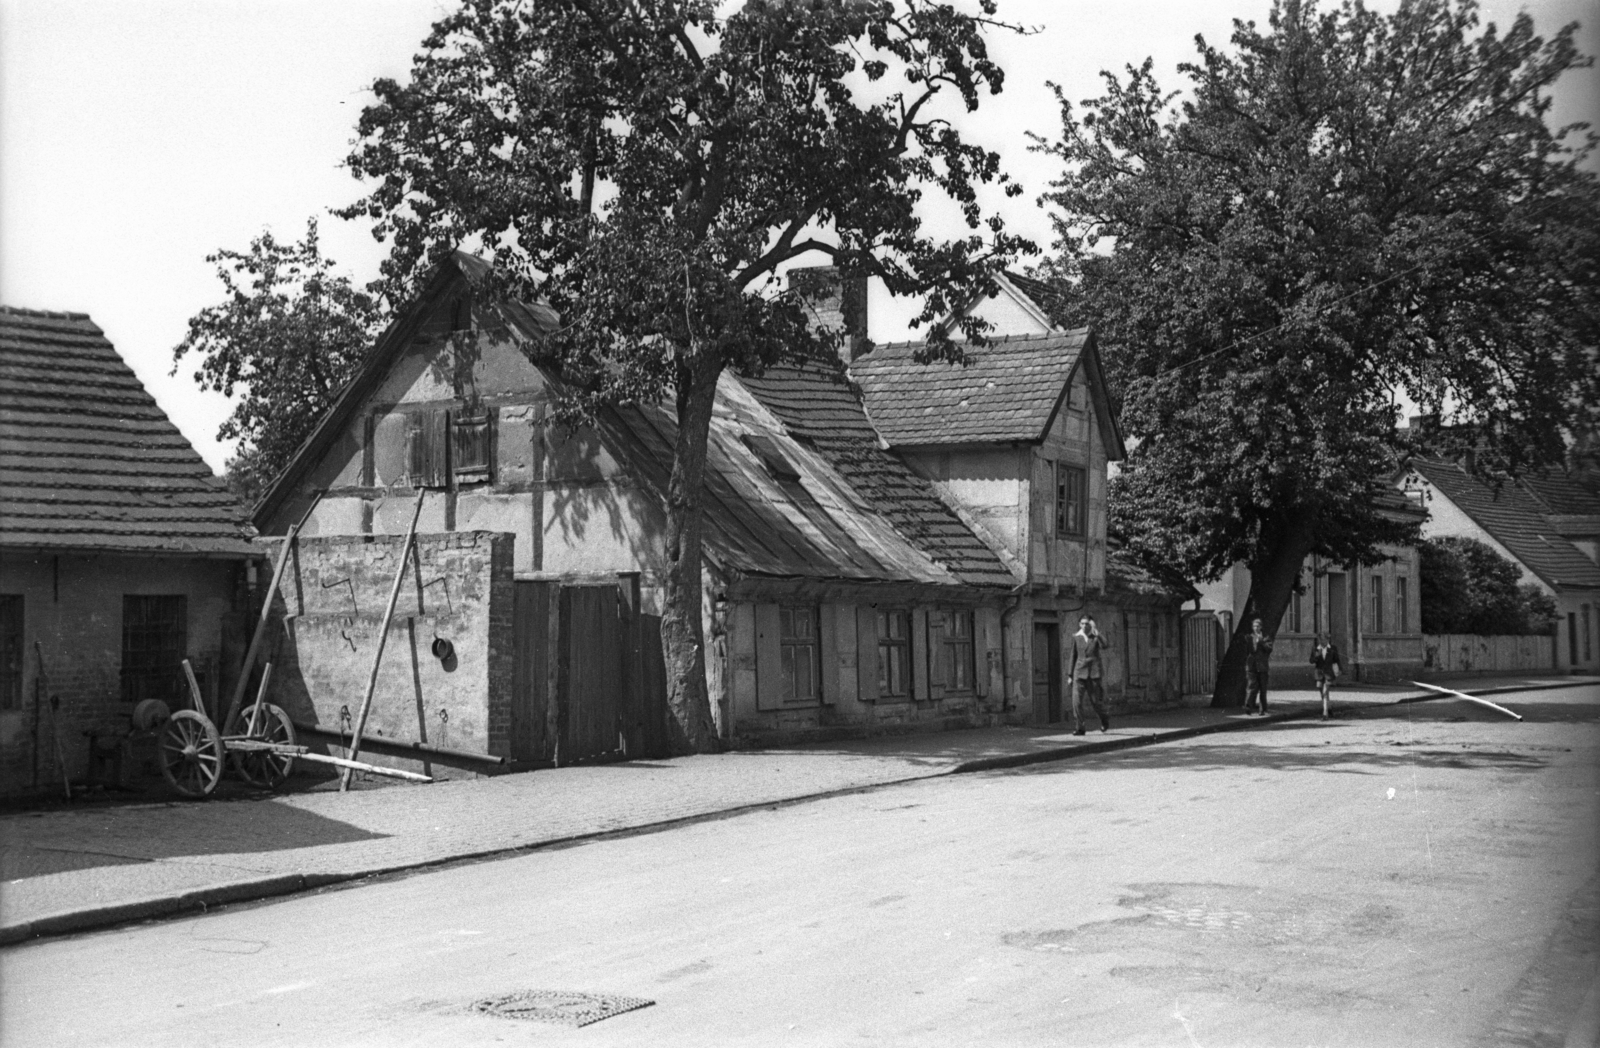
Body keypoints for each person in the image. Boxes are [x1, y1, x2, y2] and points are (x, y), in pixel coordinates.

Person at [1067, 613, 1111, 735]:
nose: (1084, 626)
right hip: (1079, 673)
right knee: (1076, 702)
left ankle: (1104, 718)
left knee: (1096, 702)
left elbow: (1105, 645)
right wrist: (1070, 675)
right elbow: (1073, 656)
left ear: (1090, 624)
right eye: (1082, 623)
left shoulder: (1095, 636)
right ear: (1079, 624)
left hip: (1093, 674)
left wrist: (1098, 634)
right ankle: (1080, 728)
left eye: (1087, 623)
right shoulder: (1076, 637)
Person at [1244, 617, 1273, 714]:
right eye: (1254, 626)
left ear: (1261, 627)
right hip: (1252, 666)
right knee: (1251, 687)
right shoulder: (1249, 637)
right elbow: (1247, 651)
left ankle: (1262, 709)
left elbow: (1269, 649)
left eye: (1258, 626)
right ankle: (1248, 707)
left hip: (1262, 667)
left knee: (1263, 689)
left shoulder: (1266, 638)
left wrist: (1262, 642)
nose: (1256, 628)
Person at [1310, 634, 1342, 720]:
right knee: (1322, 691)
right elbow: (1311, 661)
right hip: (1319, 673)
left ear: (1327, 640)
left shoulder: (1332, 648)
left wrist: (1339, 670)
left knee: (1324, 692)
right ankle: (1330, 708)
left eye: (1323, 639)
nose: (1321, 641)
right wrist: (1316, 656)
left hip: (1329, 673)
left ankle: (1325, 713)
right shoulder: (1316, 648)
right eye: (1320, 639)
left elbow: (1336, 660)